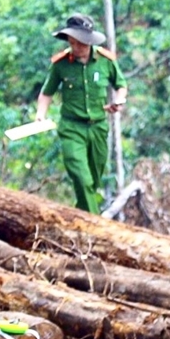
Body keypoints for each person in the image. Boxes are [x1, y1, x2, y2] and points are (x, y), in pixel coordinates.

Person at [35, 13, 126, 214]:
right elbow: (46, 92)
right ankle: (96, 225)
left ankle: (83, 217)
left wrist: (119, 101)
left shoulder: (105, 61)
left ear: (90, 41)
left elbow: (121, 85)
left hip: (98, 128)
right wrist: (41, 115)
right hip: (71, 128)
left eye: (81, 44)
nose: (76, 48)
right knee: (81, 177)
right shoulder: (60, 64)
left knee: (92, 181)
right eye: (72, 43)